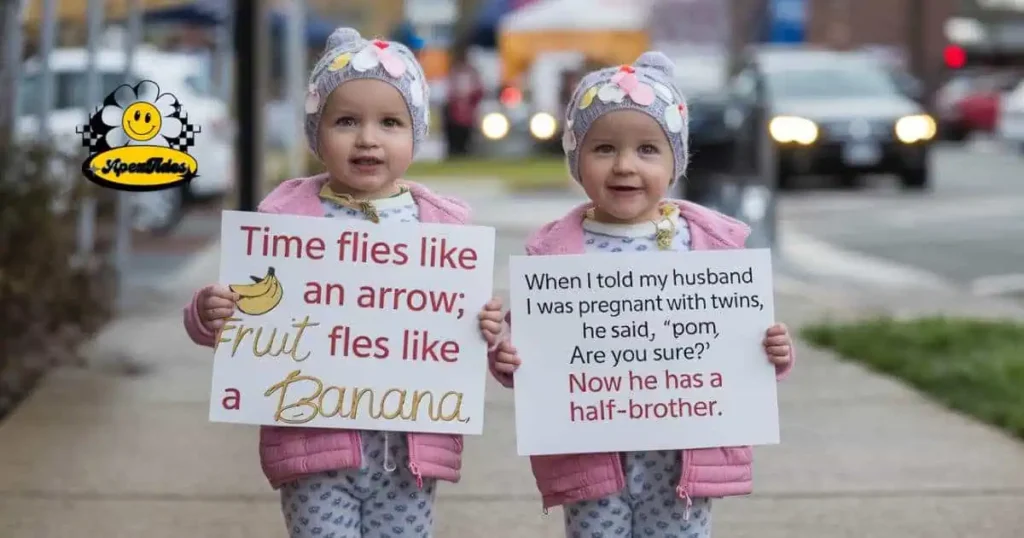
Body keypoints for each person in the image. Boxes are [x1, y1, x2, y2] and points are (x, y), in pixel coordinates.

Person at [182, 27, 504, 538]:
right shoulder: (285, 217)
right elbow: (235, 319)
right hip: (315, 452)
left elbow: (463, 333)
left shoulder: (442, 225)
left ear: (416, 133)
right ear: (317, 130)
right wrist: (209, 311)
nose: (368, 138)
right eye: (347, 120)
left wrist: (489, 330)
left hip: (408, 455)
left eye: (391, 122)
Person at [477, 52, 796, 538]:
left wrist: (771, 355)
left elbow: (734, 355)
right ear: (575, 159)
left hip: (682, 463)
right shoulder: (557, 252)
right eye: (603, 149)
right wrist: (507, 358)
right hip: (594, 460)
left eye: (648, 150)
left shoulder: (707, 244)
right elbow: (534, 359)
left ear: (675, 162)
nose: (625, 166)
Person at [442, 46, 483, 157]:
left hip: (468, 108)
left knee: (466, 132)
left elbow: (478, 89)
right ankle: (454, 150)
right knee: (453, 131)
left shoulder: (471, 72)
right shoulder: (453, 71)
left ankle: (465, 150)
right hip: (455, 108)